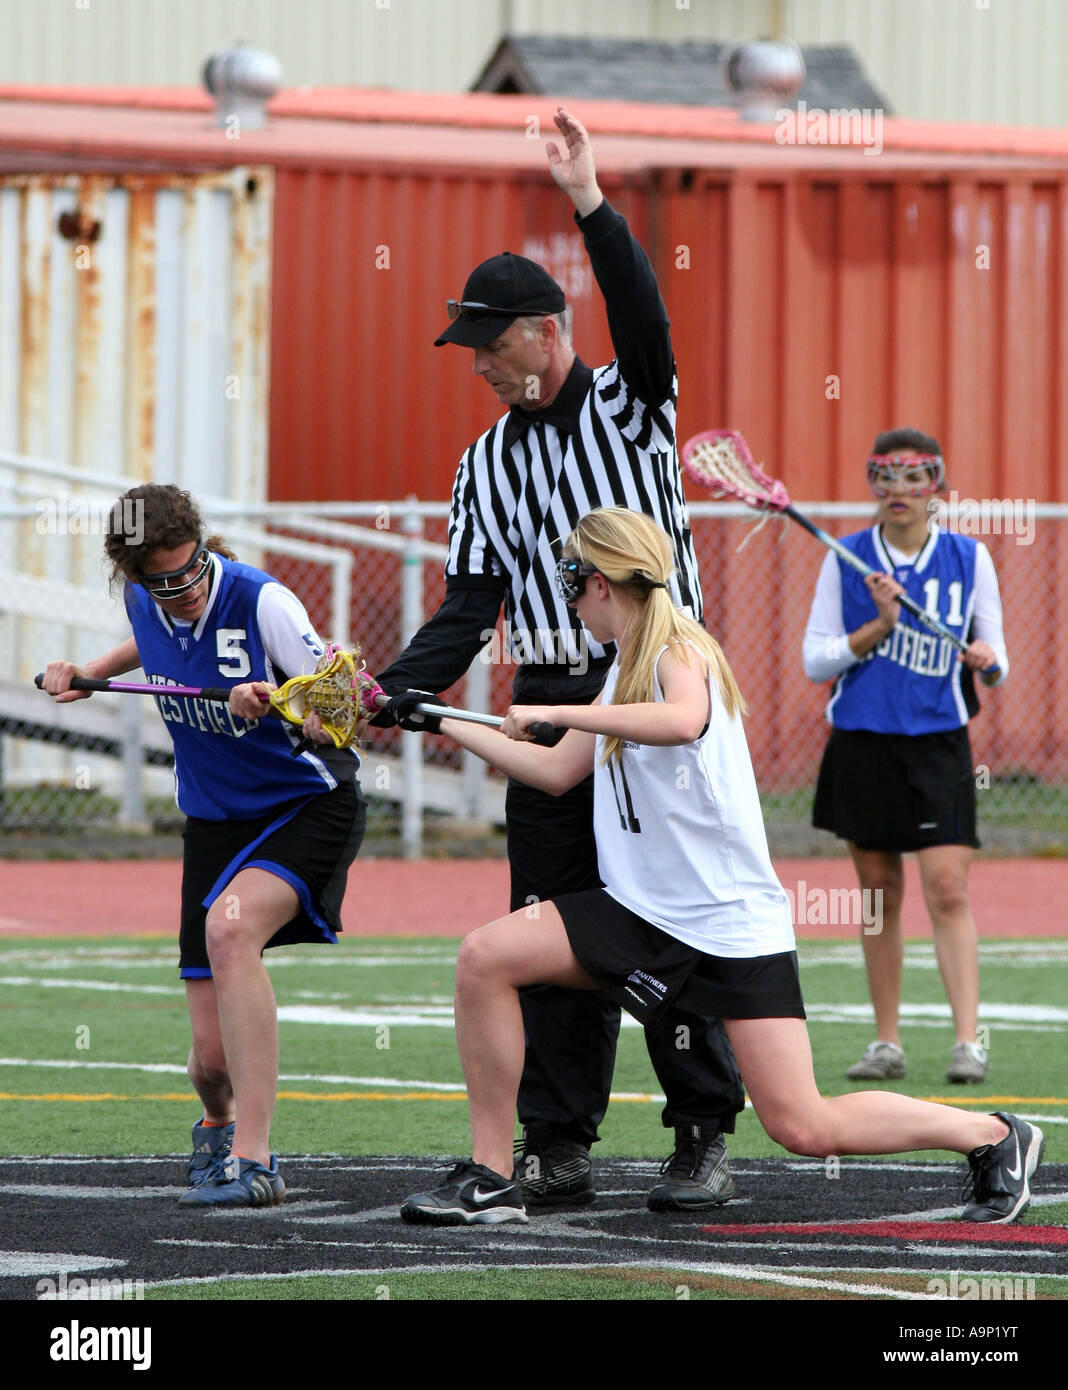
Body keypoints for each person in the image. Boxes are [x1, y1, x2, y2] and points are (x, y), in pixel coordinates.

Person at [397, 506, 1042, 1228]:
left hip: (728, 923)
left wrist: (563, 710)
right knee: (486, 956)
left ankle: (991, 1135)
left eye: (572, 582)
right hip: (643, 910)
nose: (569, 599)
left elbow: (681, 719)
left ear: (604, 582)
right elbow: (553, 773)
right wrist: (435, 719)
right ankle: (490, 1177)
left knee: (803, 1126)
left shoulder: (676, 648)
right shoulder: (620, 671)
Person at [373, 106, 743, 1211]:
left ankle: (700, 1130)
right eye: (472, 351)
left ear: (545, 329)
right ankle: (557, 1142)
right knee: (549, 929)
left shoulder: (631, 409)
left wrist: (587, 197)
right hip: (543, 698)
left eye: (494, 343)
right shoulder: (480, 464)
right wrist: (398, 687)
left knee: (665, 925)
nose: (482, 366)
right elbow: (467, 606)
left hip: (646, 689)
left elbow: (642, 318)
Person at [41, 483, 366, 1207]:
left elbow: (343, 710)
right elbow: (154, 642)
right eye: (162, 582)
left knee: (230, 927)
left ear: (201, 548)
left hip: (305, 804)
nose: (182, 590)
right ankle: (218, 1126)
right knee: (210, 1063)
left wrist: (296, 705)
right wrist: (91, 675)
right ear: (135, 578)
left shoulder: (263, 603)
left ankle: (256, 1164)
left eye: (191, 572)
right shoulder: (143, 599)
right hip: (214, 821)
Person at [802, 429, 1009, 1084]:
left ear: (936, 486)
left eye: (914, 477)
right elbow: (816, 661)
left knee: (947, 887)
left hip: (939, 741)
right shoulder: (847, 558)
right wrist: (881, 627)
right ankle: (886, 1042)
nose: (898, 491)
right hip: (864, 739)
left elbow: (998, 663)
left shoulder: (969, 558)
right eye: (884, 477)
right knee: (879, 894)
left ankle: (968, 1043)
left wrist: (988, 662)